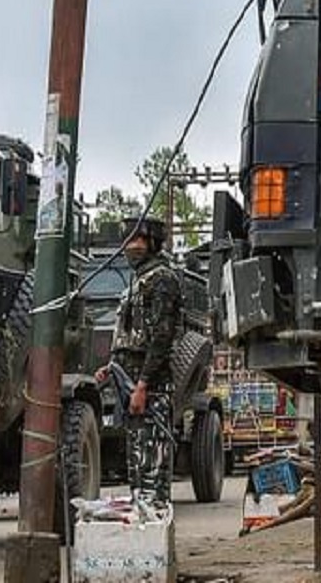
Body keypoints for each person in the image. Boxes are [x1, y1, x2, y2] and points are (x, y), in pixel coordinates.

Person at [99, 216, 184, 507]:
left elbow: (160, 338)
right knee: (137, 467)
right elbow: (130, 334)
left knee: (152, 471)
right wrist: (112, 366)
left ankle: (155, 538)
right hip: (132, 384)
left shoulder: (163, 280)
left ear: (150, 243)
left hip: (152, 389)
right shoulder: (138, 281)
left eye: (135, 240)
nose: (129, 247)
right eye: (127, 240)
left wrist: (143, 385)